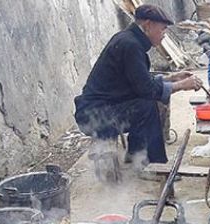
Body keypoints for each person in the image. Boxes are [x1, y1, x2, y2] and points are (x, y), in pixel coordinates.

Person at [74, 5, 202, 164]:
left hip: (102, 107)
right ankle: (151, 162)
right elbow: (147, 90)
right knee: (147, 105)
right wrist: (183, 85)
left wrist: (173, 78)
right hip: (94, 115)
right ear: (147, 26)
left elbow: (140, 82)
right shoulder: (130, 45)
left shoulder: (128, 40)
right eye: (162, 29)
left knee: (149, 102)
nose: (164, 35)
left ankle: (137, 156)